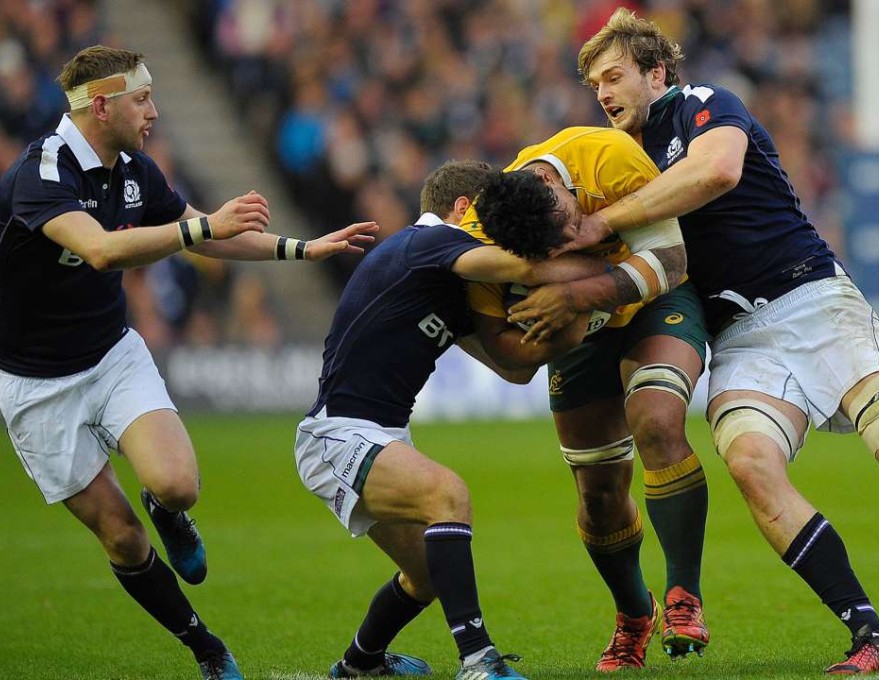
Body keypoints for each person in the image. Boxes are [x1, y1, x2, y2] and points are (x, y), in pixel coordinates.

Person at [510, 8, 879, 674]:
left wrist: (600, 220)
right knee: (751, 464)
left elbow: (717, 173)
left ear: (656, 73)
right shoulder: (616, 161)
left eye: (615, 76)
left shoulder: (703, 103)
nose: (604, 94)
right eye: (594, 84)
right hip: (741, 338)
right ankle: (870, 635)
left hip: (813, 303)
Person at [0, 46, 377, 680]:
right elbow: (99, 251)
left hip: (110, 355)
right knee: (120, 538)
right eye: (141, 99)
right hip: (36, 384)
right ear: (102, 104)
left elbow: (209, 229)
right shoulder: (43, 171)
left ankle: (167, 511)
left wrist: (301, 249)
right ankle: (204, 646)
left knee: (177, 484)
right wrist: (203, 232)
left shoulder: (132, 170)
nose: (152, 110)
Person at [294, 160, 615, 680]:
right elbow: (529, 269)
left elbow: (510, 369)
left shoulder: (443, 276)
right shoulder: (426, 243)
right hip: (338, 434)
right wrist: (617, 270)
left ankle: (359, 664)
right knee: (449, 495)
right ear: (464, 211)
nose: (501, 234)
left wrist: (572, 322)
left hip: (376, 434)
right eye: (492, 219)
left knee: (425, 575)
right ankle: (478, 660)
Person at [460, 125, 713, 672]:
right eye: (548, 251)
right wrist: (560, 327)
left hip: (656, 303)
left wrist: (571, 292)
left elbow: (670, 261)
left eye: (570, 227)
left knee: (657, 420)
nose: (571, 240)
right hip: (574, 332)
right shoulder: (480, 233)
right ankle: (633, 615)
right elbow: (507, 361)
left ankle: (683, 597)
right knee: (598, 492)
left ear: (555, 183)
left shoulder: (609, 157)